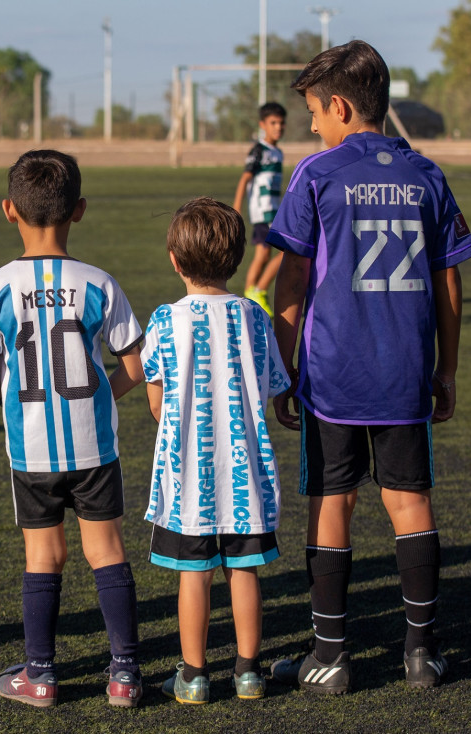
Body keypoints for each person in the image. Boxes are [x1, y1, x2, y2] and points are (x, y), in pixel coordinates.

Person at [266, 40, 471, 693]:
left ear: (338, 105)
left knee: (334, 500)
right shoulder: (426, 175)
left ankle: (329, 656)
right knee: (410, 501)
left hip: (332, 374)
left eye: (313, 112)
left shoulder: (317, 173)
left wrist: (283, 365)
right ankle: (422, 655)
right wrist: (446, 369)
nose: (310, 126)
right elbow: (449, 282)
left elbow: (292, 278)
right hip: (405, 372)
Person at [0, 149, 146, 708]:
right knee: (107, 550)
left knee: (43, 557)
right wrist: (99, 397)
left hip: (32, 450)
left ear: (8, 211)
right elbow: (135, 366)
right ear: (80, 211)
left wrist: (15, 396)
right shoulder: (98, 282)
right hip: (93, 444)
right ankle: (124, 675)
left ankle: (39, 675)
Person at [141, 197, 290, 704]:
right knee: (243, 572)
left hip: (188, 477)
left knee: (194, 576)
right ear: (236, 258)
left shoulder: (164, 321)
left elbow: (157, 402)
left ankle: (195, 675)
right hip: (244, 471)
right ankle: (248, 673)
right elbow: (272, 386)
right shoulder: (254, 316)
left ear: (175, 260)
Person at [232, 102, 286, 316]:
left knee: (263, 255)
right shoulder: (259, 150)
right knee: (284, 251)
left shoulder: (278, 152)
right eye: (273, 123)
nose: (278, 127)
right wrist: (237, 206)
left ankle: (251, 294)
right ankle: (259, 290)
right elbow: (245, 178)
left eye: (281, 123)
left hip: (274, 210)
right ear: (262, 124)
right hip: (263, 212)